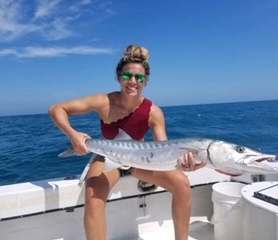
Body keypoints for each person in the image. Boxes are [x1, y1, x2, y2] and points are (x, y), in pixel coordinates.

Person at [49, 44, 206, 240]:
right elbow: (57, 109)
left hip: (141, 162)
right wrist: (73, 135)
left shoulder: (154, 112)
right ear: (119, 78)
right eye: (127, 76)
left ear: (145, 82)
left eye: (139, 78)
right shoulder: (103, 101)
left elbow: (163, 150)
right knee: (93, 197)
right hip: (107, 157)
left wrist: (182, 165)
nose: (133, 81)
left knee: (182, 184)